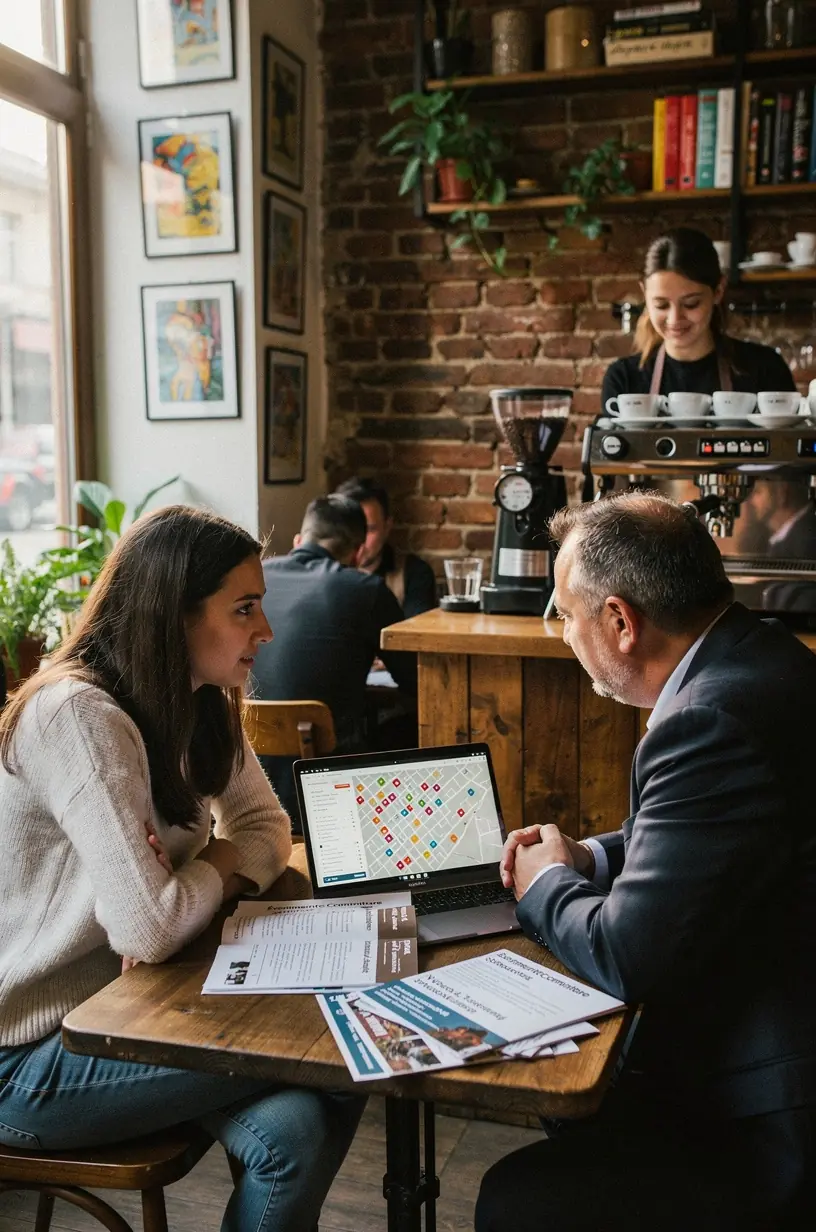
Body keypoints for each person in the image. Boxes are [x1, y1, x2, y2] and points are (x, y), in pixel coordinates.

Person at [0, 505, 364, 1232]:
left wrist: (214, 866)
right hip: (31, 1059)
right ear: (175, 615)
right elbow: (150, 922)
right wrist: (210, 877)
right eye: (245, 608)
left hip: (139, 1008)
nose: (265, 630)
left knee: (298, 1128)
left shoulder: (199, 700)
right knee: (341, 1048)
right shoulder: (77, 716)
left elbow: (266, 826)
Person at [476, 492, 816, 1232]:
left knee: (514, 1202)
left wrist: (545, 884)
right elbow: (709, 833)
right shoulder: (760, 657)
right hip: (763, 1028)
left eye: (567, 614)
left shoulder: (706, 719)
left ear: (622, 623)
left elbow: (625, 954)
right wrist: (589, 857)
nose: (562, 633)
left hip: (767, 1118)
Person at [251, 495, 417, 816]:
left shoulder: (255, 576)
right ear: (358, 553)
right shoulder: (365, 588)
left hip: (248, 774)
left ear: (300, 539)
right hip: (328, 782)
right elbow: (414, 678)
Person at [602, 227, 796, 404]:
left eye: (691, 303)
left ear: (718, 291)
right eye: (661, 305)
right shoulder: (624, 380)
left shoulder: (765, 369)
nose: (674, 319)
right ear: (644, 294)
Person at [334, 477, 438, 619]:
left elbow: (416, 636)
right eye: (352, 529)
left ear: (387, 527)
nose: (360, 541)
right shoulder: (322, 572)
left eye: (370, 529)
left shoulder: (413, 573)